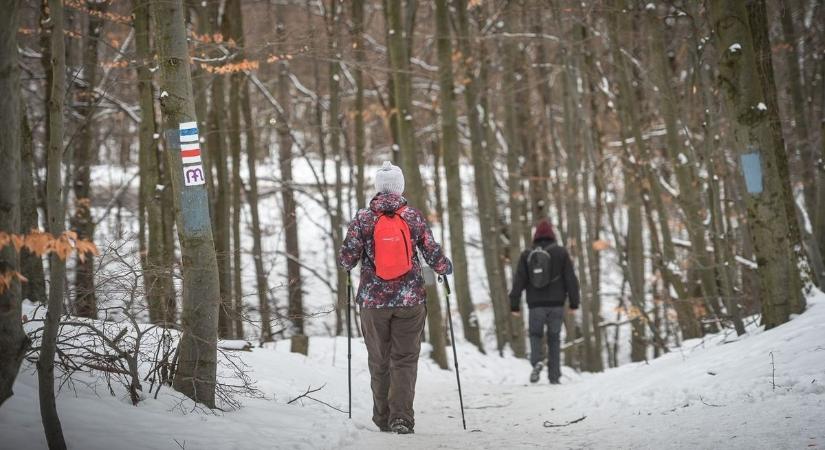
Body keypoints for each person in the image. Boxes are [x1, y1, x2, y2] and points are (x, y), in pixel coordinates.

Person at [339, 161, 452, 434]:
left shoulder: (363, 218)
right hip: (410, 300)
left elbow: (347, 258)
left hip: (373, 303)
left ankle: (382, 417)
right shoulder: (412, 216)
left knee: (379, 359)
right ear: (400, 187)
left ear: (378, 189)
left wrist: (349, 263)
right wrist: (443, 268)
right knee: (404, 359)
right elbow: (432, 253)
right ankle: (401, 418)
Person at [509, 219, 580, 385]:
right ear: (552, 235)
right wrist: (574, 303)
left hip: (535, 306)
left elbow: (518, 281)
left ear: (535, 236)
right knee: (554, 339)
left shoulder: (527, 255)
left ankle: (537, 362)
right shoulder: (561, 253)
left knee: (535, 335)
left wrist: (514, 304)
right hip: (556, 305)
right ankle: (554, 377)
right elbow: (571, 279)